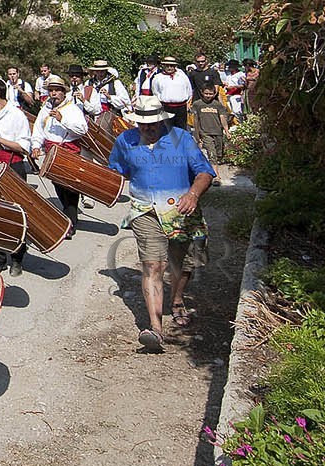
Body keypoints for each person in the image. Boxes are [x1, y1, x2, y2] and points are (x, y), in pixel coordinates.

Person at [107, 95, 216, 353]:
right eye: (142, 123)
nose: (147, 127)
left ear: (161, 120)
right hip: (145, 211)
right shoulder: (125, 140)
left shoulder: (181, 138)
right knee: (153, 265)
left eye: (152, 123)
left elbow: (205, 172)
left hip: (181, 211)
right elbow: (116, 171)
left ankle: (177, 299)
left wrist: (193, 194)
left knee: (184, 263)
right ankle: (155, 328)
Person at [0, 77, 35, 273]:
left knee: (16, 213)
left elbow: (24, 147)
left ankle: (18, 256)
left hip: (13, 166)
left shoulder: (17, 115)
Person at [28, 75, 88, 239]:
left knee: (70, 187)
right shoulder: (45, 109)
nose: (53, 93)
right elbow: (39, 129)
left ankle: (70, 221)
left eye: (57, 90)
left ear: (63, 92)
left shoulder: (72, 109)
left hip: (69, 151)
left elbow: (82, 129)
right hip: (51, 151)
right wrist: (36, 145)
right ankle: (68, 214)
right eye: (51, 90)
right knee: (58, 185)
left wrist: (63, 119)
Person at [80, 60, 132, 133]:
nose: (100, 73)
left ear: (106, 71)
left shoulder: (115, 83)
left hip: (112, 117)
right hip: (92, 116)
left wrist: (109, 97)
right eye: (98, 71)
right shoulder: (89, 83)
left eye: (102, 71)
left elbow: (125, 102)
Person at [150, 57, 194, 131]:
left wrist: (187, 104)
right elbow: (155, 92)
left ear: (175, 66)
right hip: (166, 107)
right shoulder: (158, 78)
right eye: (167, 65)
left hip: (181, 108)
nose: (169, 67)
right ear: (163, 66)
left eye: (171, 65)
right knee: (166, 129)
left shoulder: (182, 76)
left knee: (181, 129)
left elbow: (189, 90)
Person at [190, 87, 229, 165]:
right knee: (211, 153)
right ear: (202, 93)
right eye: (206, 93)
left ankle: (216, 163)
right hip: (205, 132)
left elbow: (222, 118)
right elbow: (196, 120)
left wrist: (226, 131)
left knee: (219, 153)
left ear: (214, 94)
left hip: (218, 132)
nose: (208, 95)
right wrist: (197, 136)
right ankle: (214, 169)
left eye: (210, 94)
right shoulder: (197, 104)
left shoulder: (217, 104)